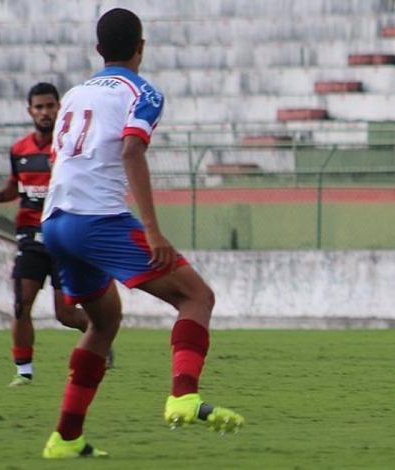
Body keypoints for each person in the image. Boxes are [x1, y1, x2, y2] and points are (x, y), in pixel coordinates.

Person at [39, 8, 243, 459]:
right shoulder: (143, 92)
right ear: (141, 47)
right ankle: (184, 396)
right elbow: (132, 149)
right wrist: (152, 230)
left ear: (98, 51)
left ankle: (65, 439)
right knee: (196, 297)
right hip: (98, 219)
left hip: (55, 221)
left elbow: (64, 157)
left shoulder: (74, 94)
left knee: (104, 322)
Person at [0, 82, 93, 387]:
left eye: (50, 106)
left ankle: (98, 331)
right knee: (21, 304)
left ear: (60, 107)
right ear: (30, 111)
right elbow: (14, 186)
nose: (45, 112)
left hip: (63, 235)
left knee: (66, 314)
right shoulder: (19, 150)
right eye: (39, 107)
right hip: (30, 236)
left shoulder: (70, 147)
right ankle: (24, 372)